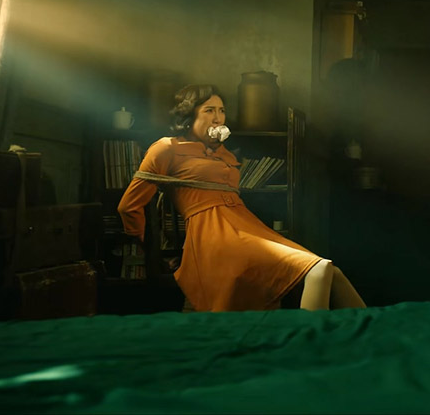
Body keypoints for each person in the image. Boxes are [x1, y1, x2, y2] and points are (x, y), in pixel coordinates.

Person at [118, 84, 366, 312]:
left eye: (222, 111)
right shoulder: (166, 148)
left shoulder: (222, 153)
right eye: (209, 110)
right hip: (214, 235)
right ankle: (309, 340)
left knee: (331, 271)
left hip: (247, 226)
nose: (218, 118)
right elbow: (128, 206)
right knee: (318, 270)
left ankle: (374, 335)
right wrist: (148, 248)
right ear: (189, 115)